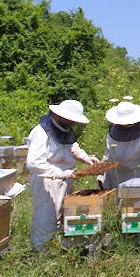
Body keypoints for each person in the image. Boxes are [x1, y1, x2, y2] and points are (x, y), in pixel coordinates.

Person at [26, 99, 99, 251]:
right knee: (45, 218)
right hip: (46, 181)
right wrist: (58, 173)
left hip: (64, 180)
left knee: (60, 217)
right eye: (71, 120)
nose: (73, 124)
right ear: (61, 116)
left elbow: (71, 145)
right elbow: (34, 163)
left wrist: (85, 157)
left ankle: (55, 250)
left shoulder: (62, 130)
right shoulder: (41, 132)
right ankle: (40, 254)